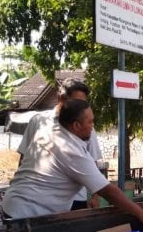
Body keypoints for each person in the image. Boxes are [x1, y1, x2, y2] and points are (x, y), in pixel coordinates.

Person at [2, 99, 143, 231]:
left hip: (19, 205)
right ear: (76, 126)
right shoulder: (69, 149)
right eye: (90, 122)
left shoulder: (51, 131)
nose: (93, 126)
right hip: (27, 213)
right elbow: (108, 190)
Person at [17, 78, 101, 209]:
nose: (80, 108)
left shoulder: (87, 128)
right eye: (76, 102)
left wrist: (95, 197)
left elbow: (93, 163)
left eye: (83, 103)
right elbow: (25, 157)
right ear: (61, 98)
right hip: (39, 201)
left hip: (76, 199)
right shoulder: (38, 121)